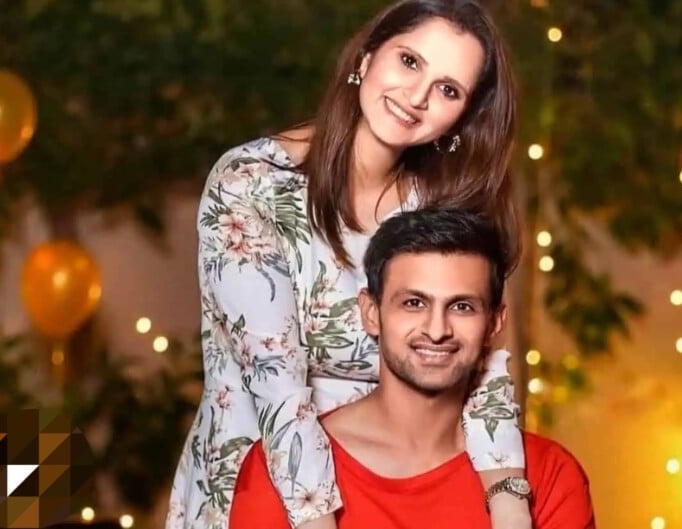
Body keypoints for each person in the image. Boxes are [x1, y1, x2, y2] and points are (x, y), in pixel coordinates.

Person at [166, 2, 531, 529]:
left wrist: (509, 503)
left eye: (448, 89)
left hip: (391, 496)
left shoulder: (441, 209)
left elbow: (483, 369)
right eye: (409, 61)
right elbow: (276, 384)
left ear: (463, 116)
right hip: (259, 491)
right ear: (366, 56)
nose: (417, 96)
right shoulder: (252, 183)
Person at [229, 208, 596, 529]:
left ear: (495, 323)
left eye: (462, 307)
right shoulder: (284, 468)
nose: (437, 330)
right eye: (414, 303)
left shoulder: (548, 474)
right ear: (371, 312)